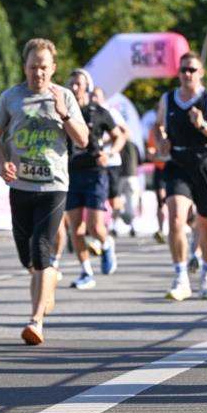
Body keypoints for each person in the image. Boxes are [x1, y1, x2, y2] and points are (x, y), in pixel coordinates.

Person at [0, 39, 87, 344]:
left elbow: (83, 140)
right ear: (25, 67)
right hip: (20, 185)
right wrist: (2, 162)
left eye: (44, 67)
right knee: (27, 257)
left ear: (53, 68)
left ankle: (36, 321)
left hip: (54, 185)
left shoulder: (65, 97)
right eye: (33, 67)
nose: (38, 73)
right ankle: (48, 280)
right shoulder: (11, 97)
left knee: (42, 246)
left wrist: (64, 114)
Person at [155, 51, 207, 301]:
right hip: (178, 164)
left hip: (206, 165)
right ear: (178, 73)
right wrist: (162, 141)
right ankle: (180, 277)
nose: (187, 74)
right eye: (183, 70)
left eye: (192, 69)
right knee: (176, 218)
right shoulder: (167, 99)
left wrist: (202, 125)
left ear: (201, 73)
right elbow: (158, 128)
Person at [66, 69, 125, 289]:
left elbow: (119, 137)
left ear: (87, 87)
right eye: (71, 84)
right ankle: (86, 272)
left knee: (94, 225)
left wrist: (109, 154)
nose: (74, 88)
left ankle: (107, 242)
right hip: (72, 173)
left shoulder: (99, 112)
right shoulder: (63, 113)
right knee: (76, 228)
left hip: (95, 173)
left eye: (78, 84)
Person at [91, 86, 131, 237]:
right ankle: (102, 228)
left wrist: (110, 145)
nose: (94, 99)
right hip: (95, 162)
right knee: (99, 196)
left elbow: (126, 133)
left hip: (112, 161)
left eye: (97, 96)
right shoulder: (88, 113)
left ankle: (122, 210)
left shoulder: (111, 113)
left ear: (104, 98)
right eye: (92, 96)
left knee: (113, 199)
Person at [146, 113, 168, 243]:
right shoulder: (153, 133)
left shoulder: (174, 129)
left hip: (174, 169)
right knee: (161, 200)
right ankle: (161, 230)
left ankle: (188, 222)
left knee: (172, 199)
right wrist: (152, 154)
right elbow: (150, 152)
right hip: (160, 169)